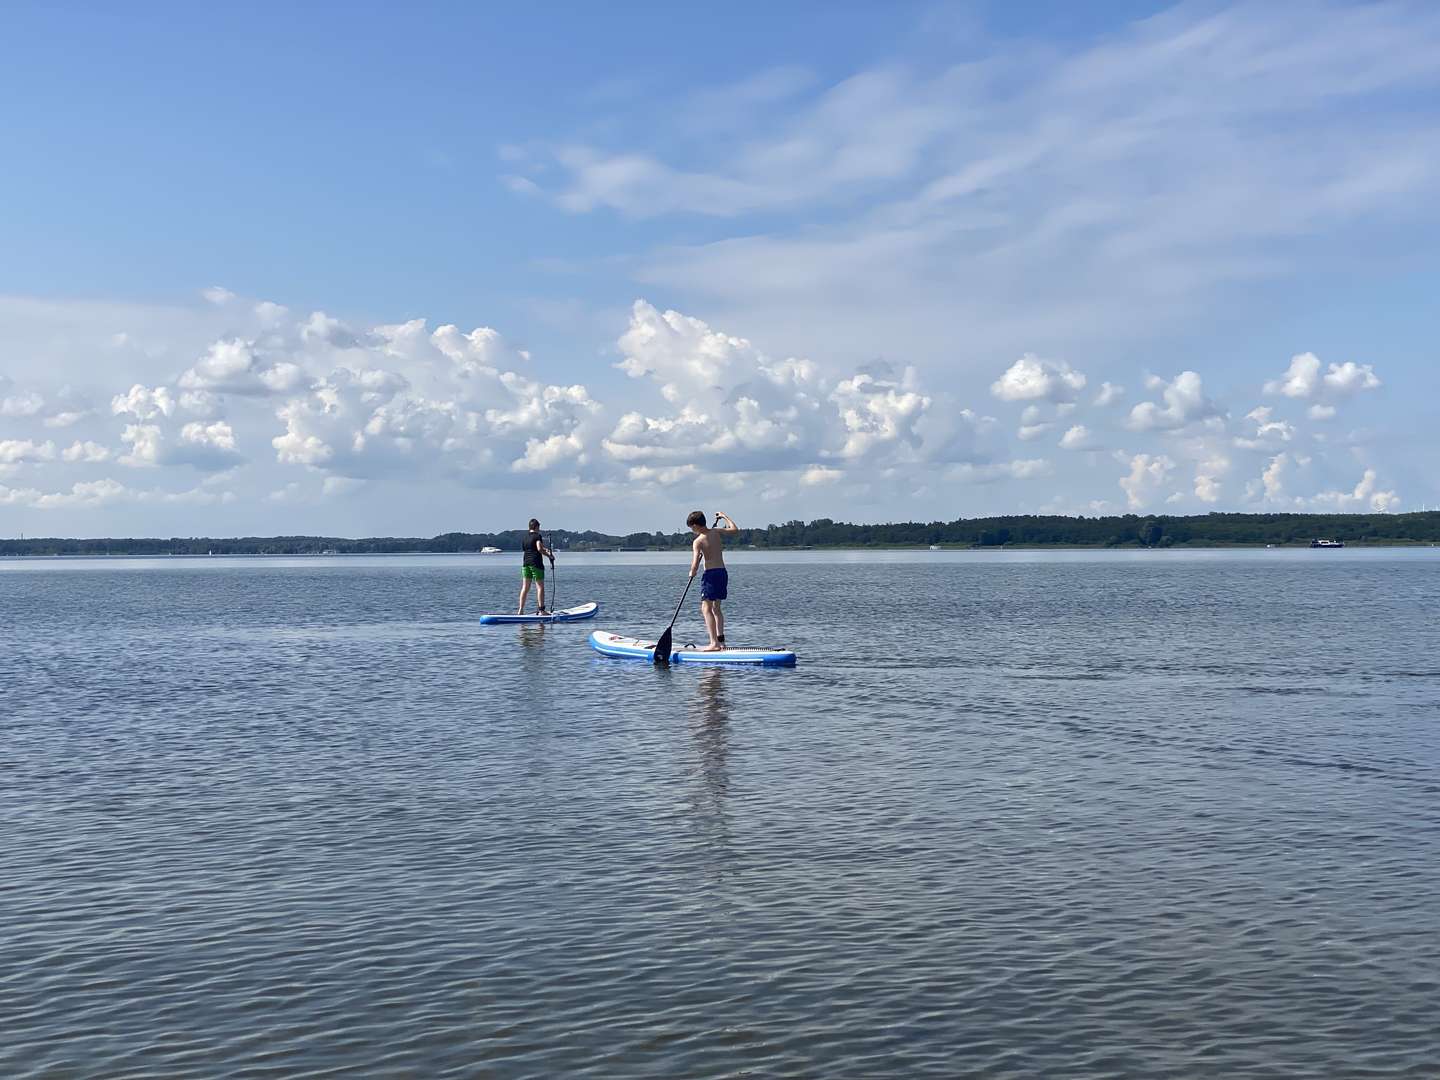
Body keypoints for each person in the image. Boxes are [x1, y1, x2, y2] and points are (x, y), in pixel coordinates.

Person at [687, 510, 739, 651]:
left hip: (710, 575)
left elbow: (695, 563)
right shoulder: (716, 532)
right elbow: (734, 529)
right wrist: (724, 516)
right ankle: (721, 642)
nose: (692, 531)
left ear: (696, 525)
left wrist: (692, 572)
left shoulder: (698, 541)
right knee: (716, 609)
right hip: (722, 573)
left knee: (705, 608)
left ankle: (714, 643)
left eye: (692, 528)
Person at [516, 518, 555, 615]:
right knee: (540, 587)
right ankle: (541, 610)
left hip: (526, 563)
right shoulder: (537, 536)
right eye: (539, 527)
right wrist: (549, 555)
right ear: (536, 527)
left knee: (525, 587)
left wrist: (546, 550)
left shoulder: (525, 538)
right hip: (536, 564)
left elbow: (532, 548)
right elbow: (539, 549)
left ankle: (520, 610)